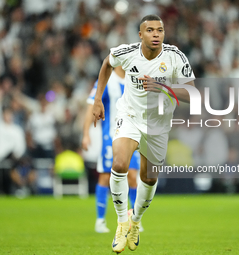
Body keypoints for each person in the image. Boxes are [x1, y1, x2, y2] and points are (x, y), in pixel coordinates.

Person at [92, 15, 195, 253]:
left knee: (148, 178)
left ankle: (135, 221)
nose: (156, 34)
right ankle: (121, 222)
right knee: (119, 164)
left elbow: (193, 94)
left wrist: (163, 87)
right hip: (129, 117)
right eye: (150, 30)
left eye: (160, 30)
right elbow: (107, 63)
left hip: (157, 124)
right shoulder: (127, 52)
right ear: (141, 35)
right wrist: (98, 99)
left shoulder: (175, 57)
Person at [82, 66, 141, 233]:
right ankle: (100, 220)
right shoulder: (106, 81)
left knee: (132, 176)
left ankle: (134, 220)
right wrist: (86, 134)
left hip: (132, 136)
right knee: (106, 177)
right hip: (111, 137)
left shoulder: (134, 79)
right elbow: (91, 106)